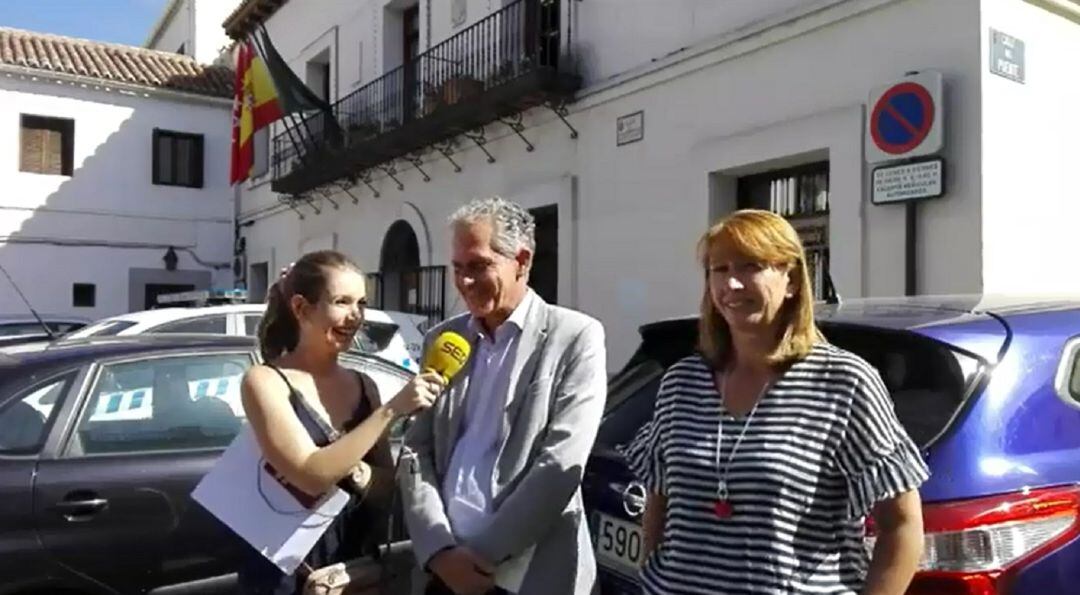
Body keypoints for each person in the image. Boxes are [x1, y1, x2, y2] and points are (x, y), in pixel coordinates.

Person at [622, 210, 928, 594]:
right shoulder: (682, 382)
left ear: (792, 280)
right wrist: (653, 571)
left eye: (751, 266)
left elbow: (901, 525)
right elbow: (660, 498)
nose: (731, 283)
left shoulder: (843, 382)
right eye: (719, 269)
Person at [400, 197, 607, 595]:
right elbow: (416, 450)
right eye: (457, 269)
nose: (464, 283)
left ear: (523, 261)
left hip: (526, 576)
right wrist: (439, 550)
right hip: (442, 570)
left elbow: (561, 461)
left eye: (478, 266)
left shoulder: (576, 337)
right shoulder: (443, 340)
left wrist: (480, 556)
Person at [238, 250, 446, 594]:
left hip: (350, 571)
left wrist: (359, 472)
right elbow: (309, 474)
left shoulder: (365, 386)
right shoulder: (265, 381)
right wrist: (392, 410)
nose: (356, 316)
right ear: (302, 308)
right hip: (284, 573)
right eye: (341, 301)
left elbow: (386, 490)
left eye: (361, 303)